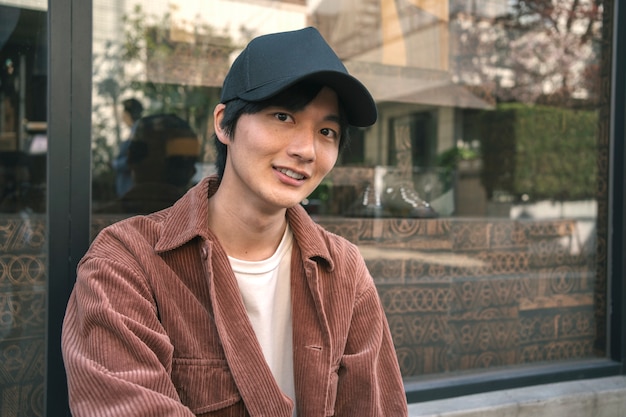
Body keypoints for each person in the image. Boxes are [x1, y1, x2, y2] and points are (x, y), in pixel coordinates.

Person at [62, 27, 409, 416]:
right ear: (225, 123)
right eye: (283, 116)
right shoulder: (127, 264)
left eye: (326, 131)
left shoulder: (343, 271)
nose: (306, 150)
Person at [96, 113, 200, 214]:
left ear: (131, 159)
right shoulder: (203, 221)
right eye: (179, 160)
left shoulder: (98, 221)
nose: (193, 170)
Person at [113, 98, 144, 196]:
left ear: (128, 113)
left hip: (130, 189)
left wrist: (115, 164)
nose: (122, 116)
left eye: (123, 112)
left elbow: (134, 159)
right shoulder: (134, 131)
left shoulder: (138, 132)